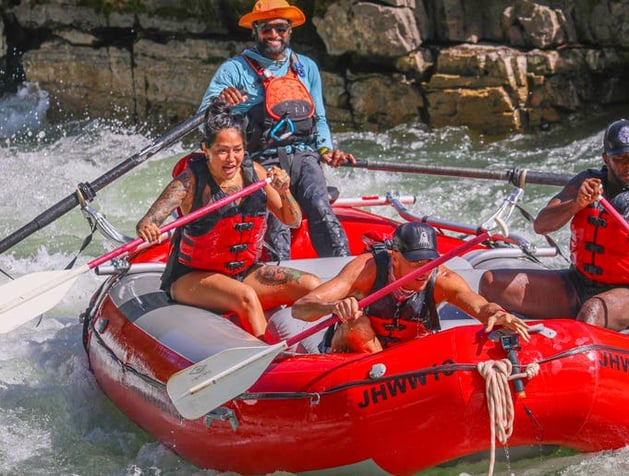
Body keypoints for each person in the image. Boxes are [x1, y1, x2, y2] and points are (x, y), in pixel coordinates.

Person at [479, 119, 629, 330]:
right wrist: (576, 204)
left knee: (594, 310)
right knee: (491, 283)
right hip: (580, 284)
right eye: (620, 159)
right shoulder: (585, 183)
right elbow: (542, 225)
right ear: (606, 159)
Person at [136, 97, 321, 338]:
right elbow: (149, 220)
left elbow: (292, 220)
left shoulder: (256, 173)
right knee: (245, 297)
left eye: (237, 150)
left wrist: (284, 191)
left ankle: (326, 348)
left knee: (312, 286)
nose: (231, 159)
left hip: (244, 272)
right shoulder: (189, 182)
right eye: (222, 151)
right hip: (191, 279)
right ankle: (273, 362)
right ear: (206, 150)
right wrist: (148, 226)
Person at [198, 0, 354, 261]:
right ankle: (279, 278)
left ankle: (344, 267)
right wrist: (221, 103)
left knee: (319, 205)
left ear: (289, 30)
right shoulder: (234, 70)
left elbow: (321, 119)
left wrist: (325, 149)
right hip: (261, 160)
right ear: (255, 30)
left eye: (280, 28)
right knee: (277, 220)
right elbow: (204, 122)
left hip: (304, 156)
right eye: (266, 28)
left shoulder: (307, 67)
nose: (273, 35)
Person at [291, 222, 531, 353]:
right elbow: (300, 309)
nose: (425, 269)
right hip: (351, 358)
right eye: (416, 262)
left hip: (403, 366)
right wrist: (335, 307)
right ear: (394, 257)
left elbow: (479, 306)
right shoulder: (367, 269)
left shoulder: (443, 279)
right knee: (357, 323)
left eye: (430, 261)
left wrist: (497, 314)